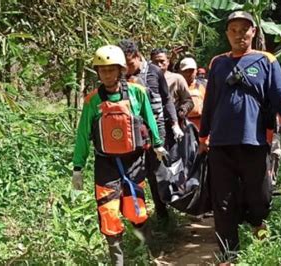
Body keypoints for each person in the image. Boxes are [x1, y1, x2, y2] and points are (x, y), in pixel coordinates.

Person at [198, 11, 281, 263]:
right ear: (227, 34)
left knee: (260, 198)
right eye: (233, 30)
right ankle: (229, 256)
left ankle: (257, 222)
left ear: (253, 32)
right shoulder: (217, 64)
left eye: (244, 30)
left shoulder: (266, 61)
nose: (239, 35)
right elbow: (210, 103)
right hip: (221, 146)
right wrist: (203, 136)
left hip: (255, 143)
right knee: (222, 204)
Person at [71, 45, 168, 265]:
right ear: (97, 72)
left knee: (136, 212)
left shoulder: (137, 92)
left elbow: (149, 119)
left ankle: (147, 255)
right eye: (102, 70)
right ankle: (118, 262)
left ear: (120, 70)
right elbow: (83, 135)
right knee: (109, 215)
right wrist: (78, 167)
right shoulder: (92, 101)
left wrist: (158, 143)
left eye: (111, 69)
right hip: (106, 165)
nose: (107, 74)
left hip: (133, 162)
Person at [118, 39, 183, 221]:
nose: (128, 69)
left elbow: (166, 99)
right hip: (133, 134)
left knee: (157, 173)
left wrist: (175, 123)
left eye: (130, 64)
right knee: (137, 173)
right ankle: (141, 216)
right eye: (124, 65)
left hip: (157, 131)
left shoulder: (154, 71)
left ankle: (165, 213)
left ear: (138, 56)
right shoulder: (120, 77)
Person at [150, 48, 193, 128]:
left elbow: (189, 101)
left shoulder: (177, 79)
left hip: (172, 124)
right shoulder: (146, 79)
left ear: (168, 62)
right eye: (156, 62)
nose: (159, 65)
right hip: (152, 123)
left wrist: (183, 110)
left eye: (162, 61)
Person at [179, 57, 206, 130]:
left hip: (202, 126)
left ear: (196, 71)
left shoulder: (204, 85)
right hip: (183, 126)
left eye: (191, 70)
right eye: (185, 71)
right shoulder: (177, 86)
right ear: (180, 72)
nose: (188, 74)